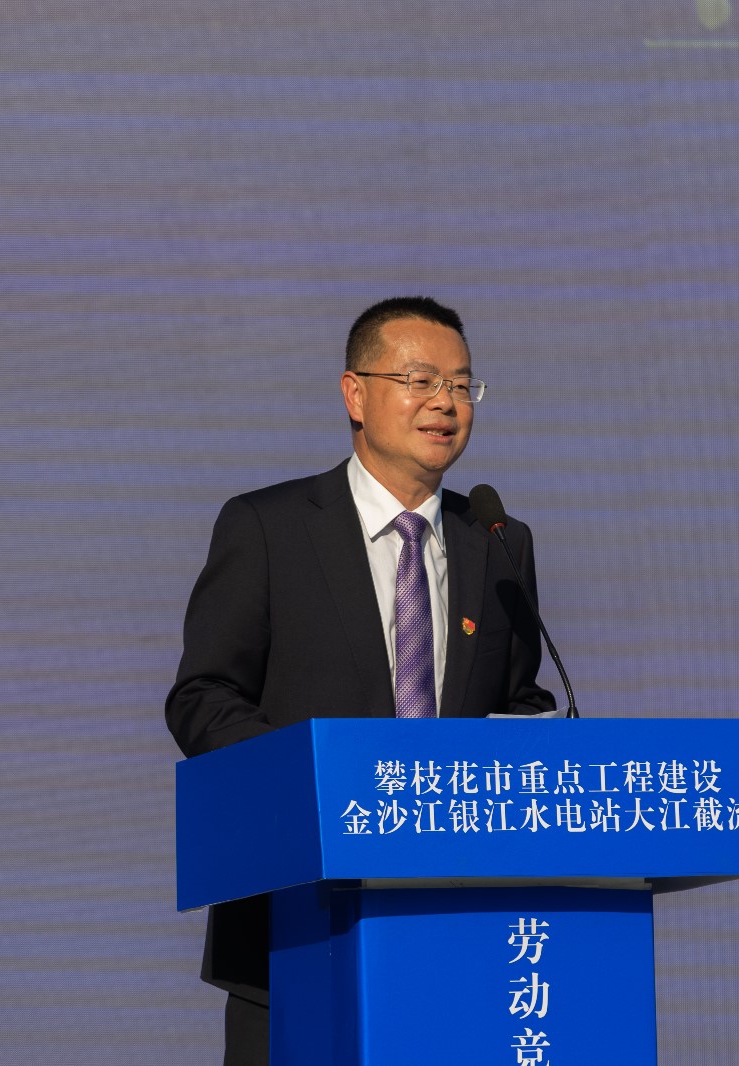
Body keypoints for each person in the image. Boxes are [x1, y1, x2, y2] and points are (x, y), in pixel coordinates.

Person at [165, 296, 557, 1066]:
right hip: (293, 932)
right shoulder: (270, 528)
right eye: (420, 380)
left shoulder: (498, 543)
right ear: (355, 393)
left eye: (462, 385)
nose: (445, 403)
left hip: (455, 937)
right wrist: (320, 786)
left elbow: (518, 700)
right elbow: (203, 696)